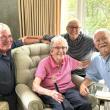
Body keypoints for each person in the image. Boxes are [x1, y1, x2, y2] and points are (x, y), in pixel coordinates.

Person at [32, 36, 92, 110]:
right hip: (52, 91)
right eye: (57, 47)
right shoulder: (44, 63)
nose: (61, 50)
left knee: (85, 104)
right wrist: (50, 93)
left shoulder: (68, 59)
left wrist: (96, 59)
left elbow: (82, 65)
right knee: (66, 108)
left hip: (69, 90)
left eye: (63, 47)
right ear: (51, 51)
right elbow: (35, 86)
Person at [0, 23, 42, 110]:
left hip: (13, 96)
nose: (8, 40)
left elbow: (24, 40)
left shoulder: (8, 47)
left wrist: (41, 40)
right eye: (2, 37)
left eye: (9, 36)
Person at [80, 28, 110, 97]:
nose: (101, 42)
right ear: (95, 45)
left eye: (104, 38)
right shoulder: (96, 59)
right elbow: (90, 76)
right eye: (98, 40)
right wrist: (83, 85)